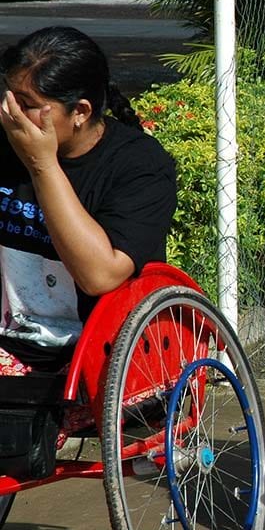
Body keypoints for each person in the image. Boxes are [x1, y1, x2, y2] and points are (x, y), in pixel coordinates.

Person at [0, 26, 177, 478]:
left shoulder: (140, 166)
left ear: (80, 111)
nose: (10, 112)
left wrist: (41, 164)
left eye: (27, 104)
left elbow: (100, 275)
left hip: (94, 361)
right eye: (8, 96)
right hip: (12, 340)